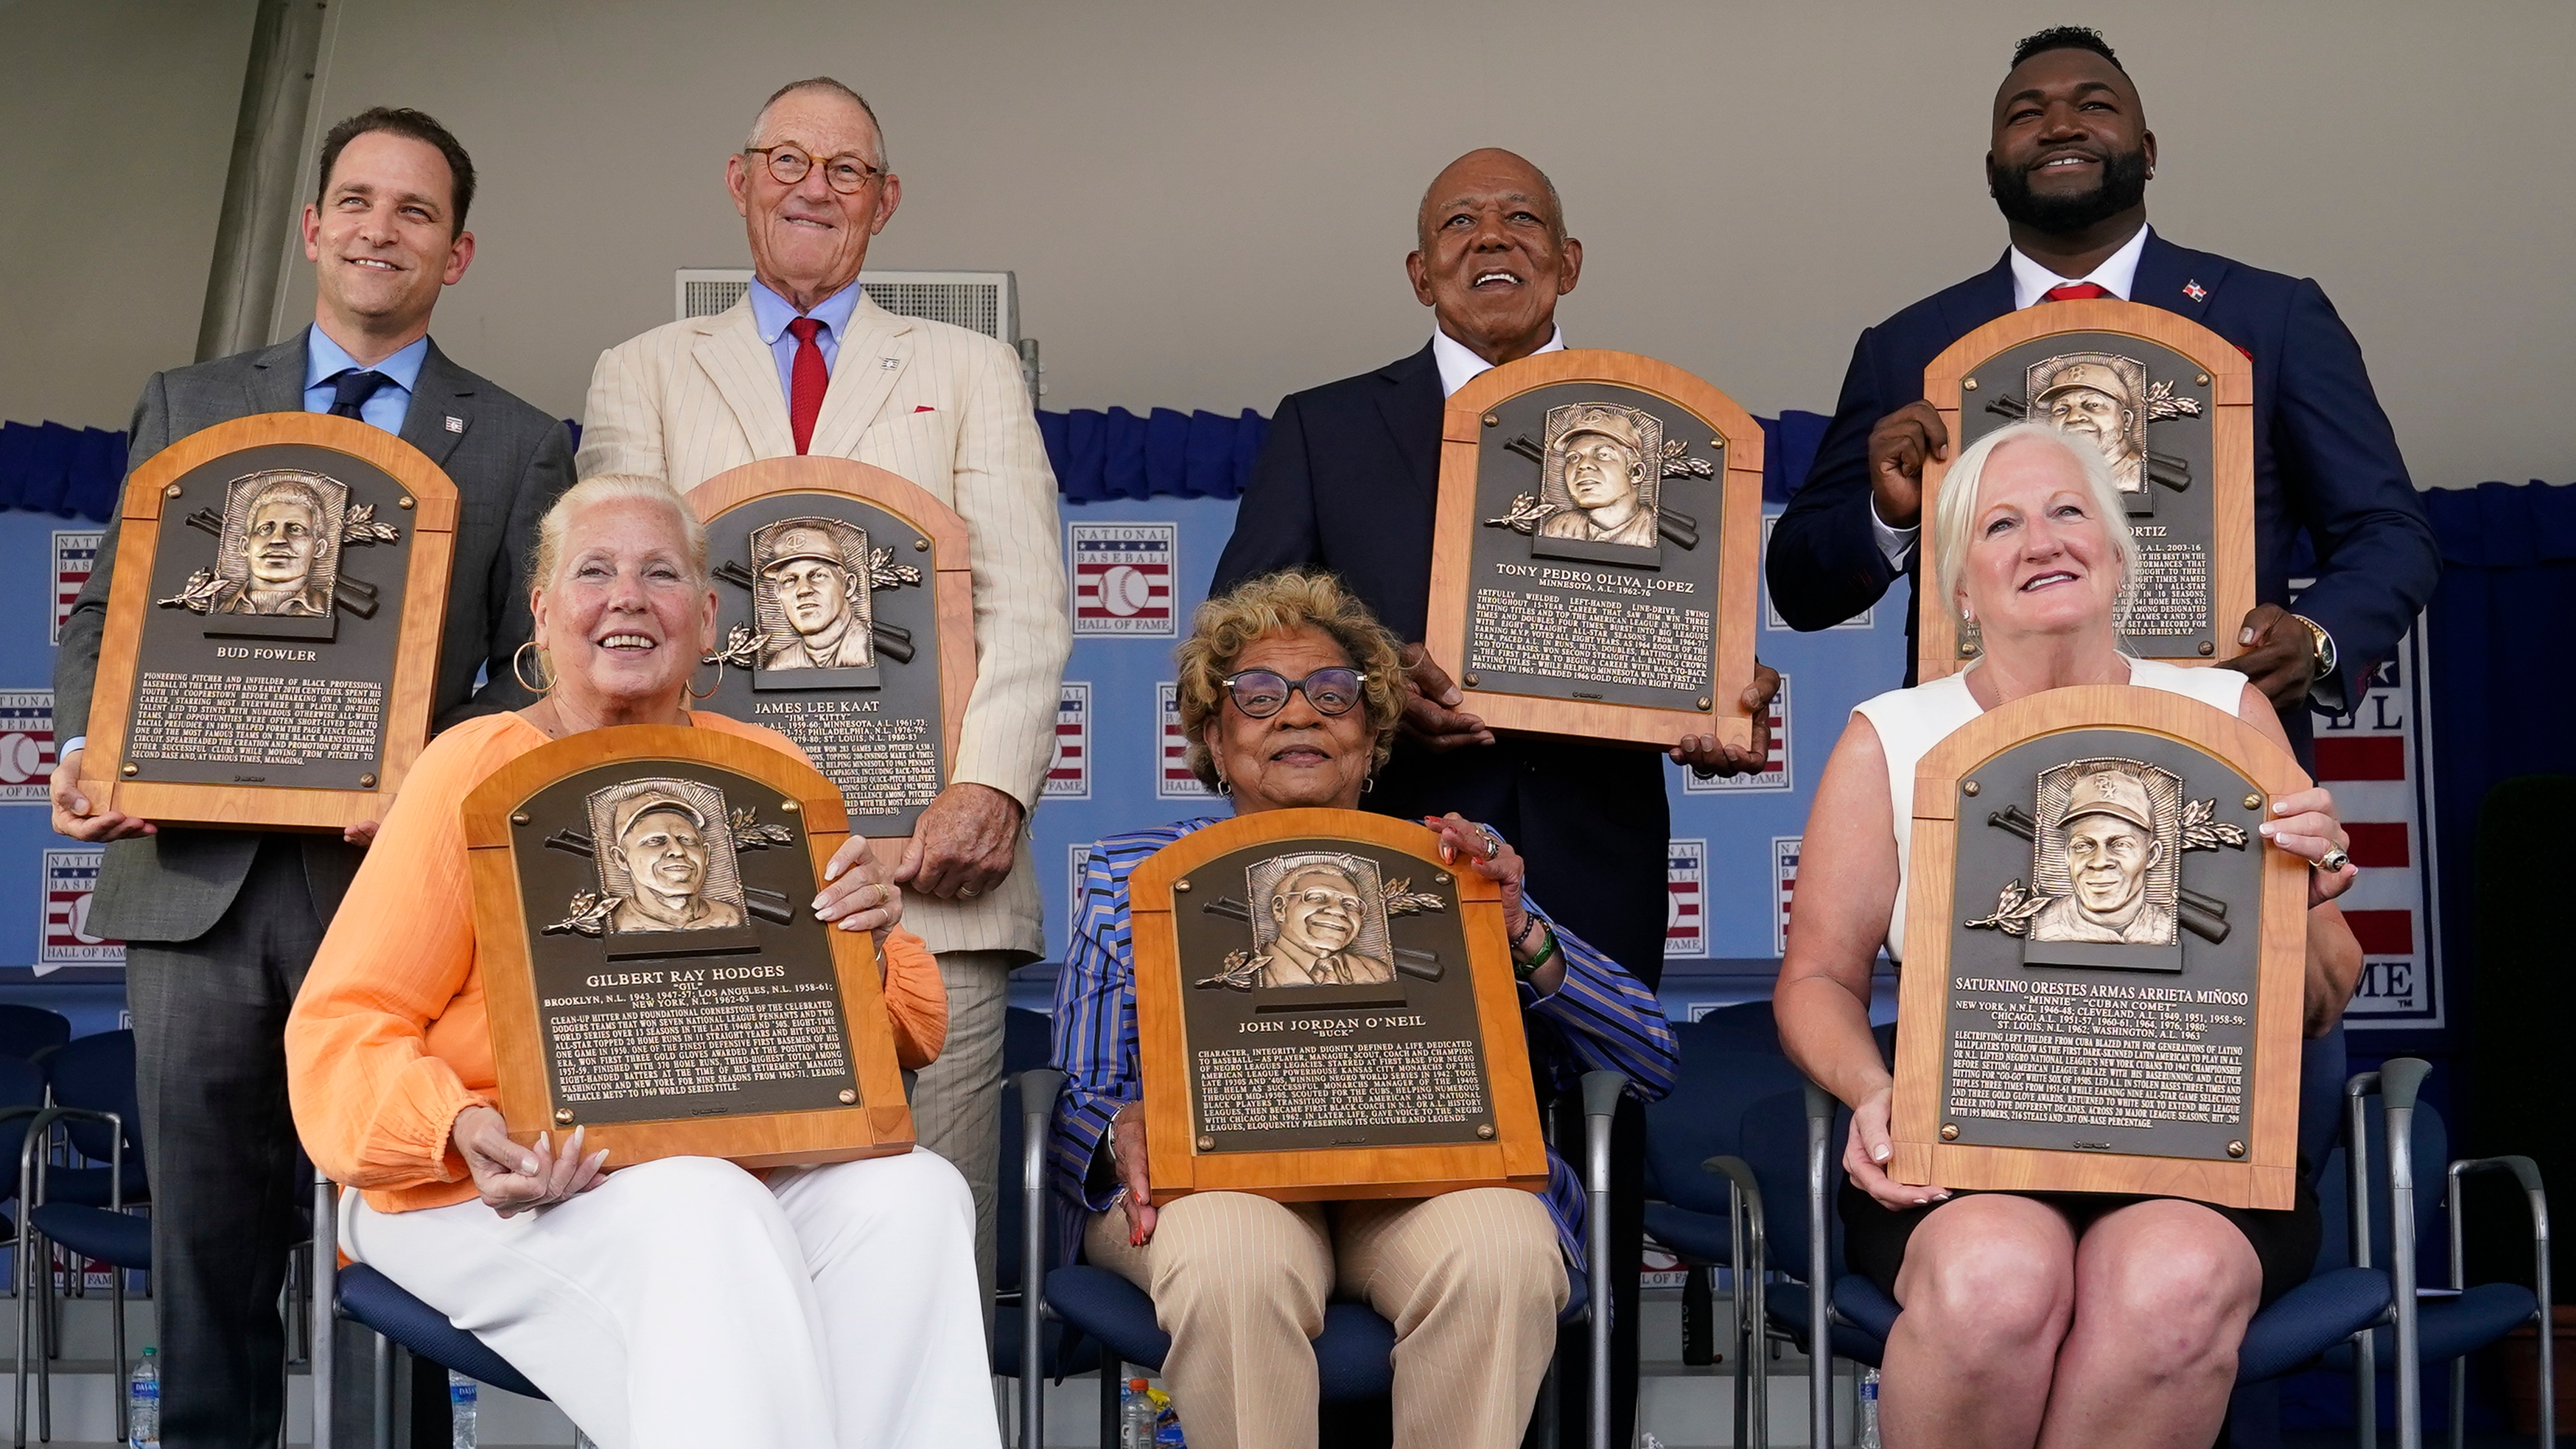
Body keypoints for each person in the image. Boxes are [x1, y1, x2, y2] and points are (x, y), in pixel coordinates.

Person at [1208, 147, 1775, 1442]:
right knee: (1371, 1168)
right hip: (1376, 866)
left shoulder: (1658, 429)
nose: (1490, 238)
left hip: (1591, 855)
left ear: (1570, 263)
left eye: (1524, 218)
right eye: (1457, 224)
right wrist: (1376, 670)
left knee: (1593, 1164)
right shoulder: (1328, 423)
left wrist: (1716, 699)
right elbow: (1241, 631)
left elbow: (1693, 649)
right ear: (1420, 273)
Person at [49, 107, 574, 1448]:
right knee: (206, 1251)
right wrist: (89, 749)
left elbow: (534, 671)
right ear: (312, 229)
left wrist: (426, 773)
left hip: (395, 902)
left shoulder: (517, 440)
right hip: (192, 891)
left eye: (413, 211)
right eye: (356, 200)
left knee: (399, 1243)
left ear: (456, 254)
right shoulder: (190, 403)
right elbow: (110, 613)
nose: (378, 228)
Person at [285, 475, 997, 1448]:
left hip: (723, 1161)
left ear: (706, 619)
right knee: (704, 1204)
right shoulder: (471, 768)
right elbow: (342, 1024)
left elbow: (899, 1034)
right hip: (502, 1181)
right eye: (595, 570)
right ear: (544, 611)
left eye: (660, 572)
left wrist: (866, 945)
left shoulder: (769, 775)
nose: (627, 596)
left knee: (915, 1192)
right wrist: (456, 1122)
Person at [576, 75, 1069, 1311]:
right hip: (696, 898)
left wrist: (989, 786)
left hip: (931, 891)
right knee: (714, 1267)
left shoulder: (967, 368)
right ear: (739, 184)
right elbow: (617, 622)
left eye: (845, 170)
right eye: (786, 161)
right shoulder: (639, 372)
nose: (814, 187)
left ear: (885, 201)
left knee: (917, 1267)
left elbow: (1027, 600)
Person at [1775, 423, 2365, 1448]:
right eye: (2001, 523)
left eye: (2068, 511)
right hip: (1972, 1143)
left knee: (2170, 1288)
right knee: (1995, 1285)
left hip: (2199, 1144)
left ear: (2120, 550)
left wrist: (2308, 891)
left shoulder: (2227, 712)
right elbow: (1819, 977)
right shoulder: (1893, 734)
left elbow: (2323, 997)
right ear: (1960, 584)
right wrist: (1876, 1093)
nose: (2041, 540)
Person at [1049, 569, 1678, 1449]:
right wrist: (1117, 1124)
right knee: (1231, 1261)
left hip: (1418, 1186)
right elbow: (1074, 1090)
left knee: (1502, 1248)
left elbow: (1650, 1056)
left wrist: (1517, 928)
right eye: (1258, 693)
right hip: (1216, 1184)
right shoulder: (1130, 878)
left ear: (1372, 734)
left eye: (1334, 693)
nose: (1299, 713)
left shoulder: (1449, 868)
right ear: (1213, 737)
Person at [1763, 24, 2440, 753]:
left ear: (2147, 152)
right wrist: (1887, 516)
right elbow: (1799, 585)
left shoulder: (2271, 317)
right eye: (2026, 114)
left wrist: (2316, 636)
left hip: (2221, 754)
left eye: (2093, 105)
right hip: (1972, 763)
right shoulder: (1907, 346)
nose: (2058, 124)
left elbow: (2387, 532)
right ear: (1992, 168)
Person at [601, 794, 745, 932]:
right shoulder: (614, 923)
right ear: (621, 858)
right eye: (655, 841)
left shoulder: (734, 917)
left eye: (687, 840)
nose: (678, 851)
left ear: (706, 853)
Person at [1256, 857, 1394, 987]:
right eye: (1317, 897)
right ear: (1279, 908)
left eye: (1350, 904)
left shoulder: (1376, 972)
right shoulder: (1254, 973)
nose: (1339, 911)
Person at [757, 522, 872, 669]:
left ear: (849, 585)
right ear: (777, 593)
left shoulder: (867, 650)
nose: (803, 590)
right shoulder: (779, 665)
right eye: (789, 580)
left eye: (818, 575)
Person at [1536, 411, 1658, 547]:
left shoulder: (1652, 533)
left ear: (1636, 473)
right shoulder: (1557, 529)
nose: (1583, 465)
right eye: (1573, 458)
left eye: (1603, 454)